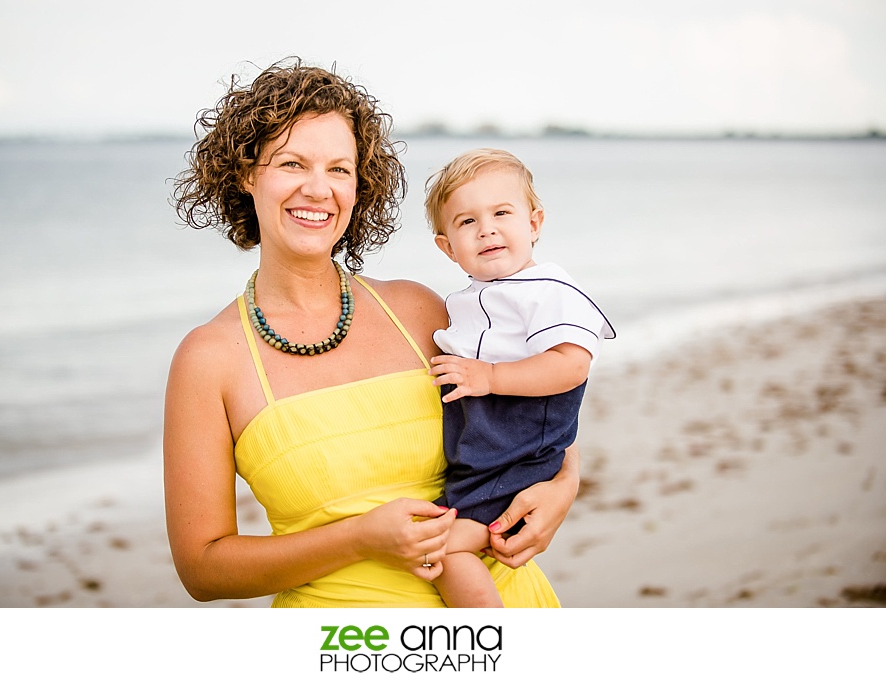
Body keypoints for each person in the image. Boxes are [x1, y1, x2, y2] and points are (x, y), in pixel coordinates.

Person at [165, 58, 580, 607]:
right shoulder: (208, 359)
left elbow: (532, 408)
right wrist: (359, 539)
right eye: (292, 163)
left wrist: (564, 487)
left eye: (340, 169)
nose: (319, 189)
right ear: (247, 174)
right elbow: (204, 569)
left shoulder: (418, 312)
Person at [423, 148, 615, 607]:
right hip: (484, 452)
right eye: (466, 222)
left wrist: (488, 376)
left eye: (501, 213)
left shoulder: (551, 289)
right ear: (447, 246)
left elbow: (572, 365)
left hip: (519, 454)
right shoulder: (471, 298)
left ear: (533, 224)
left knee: (444, 550)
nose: (486, 228)